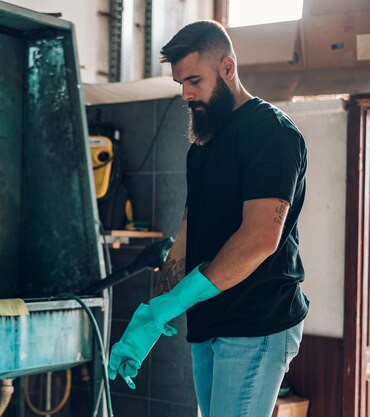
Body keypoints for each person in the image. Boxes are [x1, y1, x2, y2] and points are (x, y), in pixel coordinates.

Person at [107, 20, 309, 417]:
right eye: (181, 82)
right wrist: (150, 317)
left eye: (195, 80)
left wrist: (175, 302)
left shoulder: (271, 133)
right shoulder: (202, 145)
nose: (186, 93)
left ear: (228, 67)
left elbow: (259, 239)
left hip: (258, 320)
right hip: (210, 322)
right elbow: (187, 233)